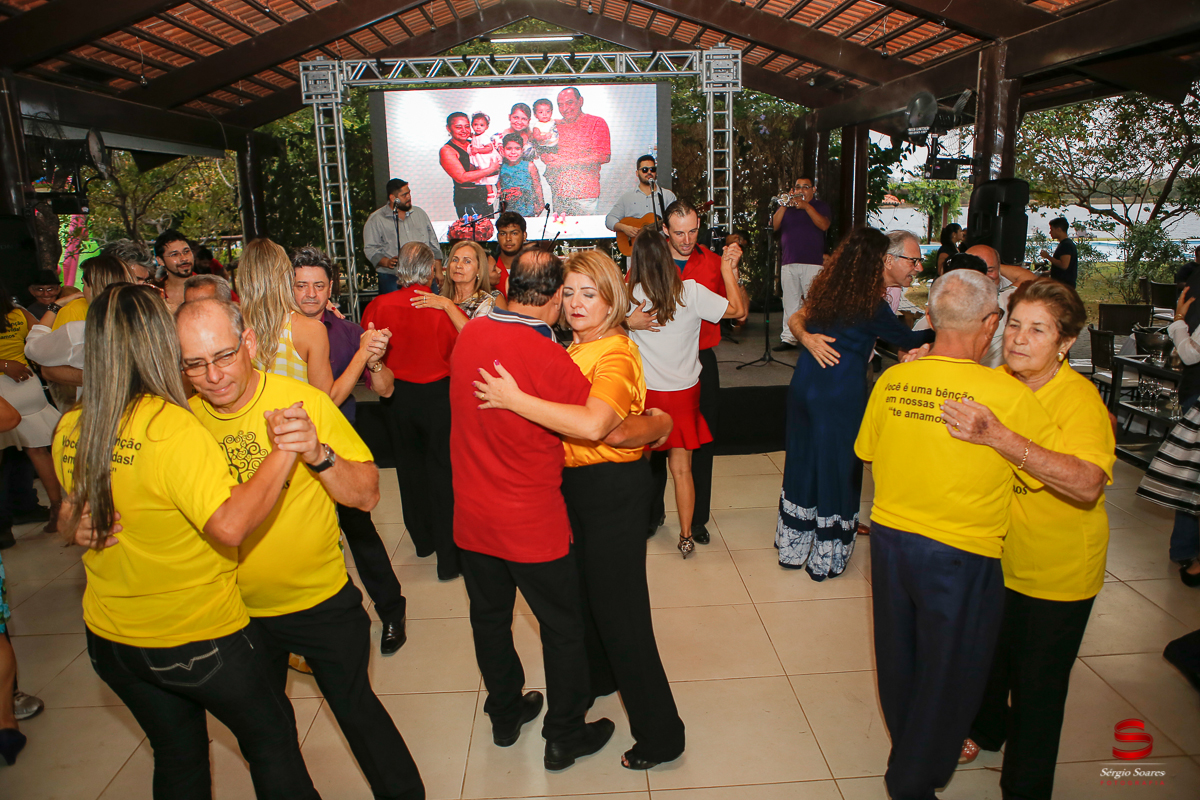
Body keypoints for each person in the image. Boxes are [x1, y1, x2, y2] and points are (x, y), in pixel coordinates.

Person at [55, 284, 320, 798]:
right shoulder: (171, 428)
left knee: (178, 757)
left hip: (112, 641)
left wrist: (73, 521)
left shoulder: (74, 426)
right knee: (272, 743)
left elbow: (73, 508)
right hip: (196, 638)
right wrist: (284, 451)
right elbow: (229, 525)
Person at [176, 297, 425, 800]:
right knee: (268, 743)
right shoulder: (181, 422)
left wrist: (318, 453)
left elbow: (367, 494)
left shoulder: (304, 402)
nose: (214, 375)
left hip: (318, 603)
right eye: (195, 364)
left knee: (359, 716)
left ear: (248, 343)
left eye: (223, 356)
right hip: (231, 617)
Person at [854, 269, 1060, 800]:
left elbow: (867, 453)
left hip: (892, 541)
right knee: (952, 673)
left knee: (899, 659)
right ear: (991, 324)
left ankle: (909, 750)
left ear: (928, 318)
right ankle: (911, 782)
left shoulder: (893, 379)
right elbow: (1041, 471)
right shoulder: (1006, 396)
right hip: (961, 552)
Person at [472, 249, 682, 769]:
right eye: (568, 292)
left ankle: (662, 735)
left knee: (622, 614)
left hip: (610, 490)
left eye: (589, 293)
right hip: (572, 489)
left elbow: (595, 426)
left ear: (612, 299)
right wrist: (655, 425)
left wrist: (513, 399)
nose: (575, 303)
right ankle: (598, 680)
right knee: (586, 600)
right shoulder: (571, 346)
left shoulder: (614, 350)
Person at [942, 278, 1112, 800]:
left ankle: (1026, 787)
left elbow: (1086, 483)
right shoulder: (1000, 383)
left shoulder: (1077, 399)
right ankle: (987, 730)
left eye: (1038, 330)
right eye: (1014, 324)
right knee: (989, 662)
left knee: (1038, 692)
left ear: (1064, 343)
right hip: (998, 557)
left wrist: (999, 436)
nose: (1019, 338)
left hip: (1056, 572)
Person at [448, 247, 615, 771]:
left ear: (508, 284)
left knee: (490, 619)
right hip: (530, 521)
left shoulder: (471, 333)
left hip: (472, 516)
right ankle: (564, 734)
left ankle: (505, 712)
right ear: (553, 298)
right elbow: (596, 420)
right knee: (564, 628)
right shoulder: (547, 355)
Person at [778, 227, 935, 579]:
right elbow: (907, 340)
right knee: (840, 469)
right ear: (884, 261)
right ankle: (827, 556)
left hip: (804, 385)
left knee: (803, 461)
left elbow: (800, 316)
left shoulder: (831, 291)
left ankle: (794, 547)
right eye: (913, 260)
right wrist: (944, 324)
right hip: (838, 393)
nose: (917, 267)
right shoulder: (871, 305)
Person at [291, 245, 408, 655]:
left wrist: (372, 361)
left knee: (361, 535)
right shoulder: (271, 333)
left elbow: (386, 388)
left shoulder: (347, 332)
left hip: (338, 452)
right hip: (287, 457)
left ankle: (392, 611)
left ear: (331, 289)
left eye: (318, 286)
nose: (309, 294)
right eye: (301, 284)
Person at [633, 200, 747, 545]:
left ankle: (696, 523)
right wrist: (627, 321)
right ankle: (652, 517)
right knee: (652, 453)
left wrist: (732, 272)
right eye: (679, 232)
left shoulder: (714, 263)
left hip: (697, 366)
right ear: (666, 230)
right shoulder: (650, 259)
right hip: (654, 368)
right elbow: (625, 308)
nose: (686, 238)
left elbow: (739, 313)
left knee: (700, 447)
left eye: (693, 231)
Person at [361, 242, 460, 580]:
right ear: (430, 270)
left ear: (399, 268)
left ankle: (422, 541)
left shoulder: (378, 305)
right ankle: (448, 558)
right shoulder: (440, 309)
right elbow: (457, 354)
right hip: (438, 398)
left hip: (396, 397)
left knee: (409, 470)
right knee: (443, 475)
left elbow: (369, 352)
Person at [27, 255, 133, 409]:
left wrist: (55, 306)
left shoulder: (79, 331)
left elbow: (32, 349)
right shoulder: (151, 321)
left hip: (100, 411)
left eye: (84, 284)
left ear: (95, 287)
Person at [0, 280, 63, 537]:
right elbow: (40, 340)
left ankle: (4, 529)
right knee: (38, 451)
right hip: (27, 384)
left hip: (3, 391)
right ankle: (59, 509)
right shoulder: (18, 313)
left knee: (3, 461)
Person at [238, 238, 334, 394]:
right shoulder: (311, 330)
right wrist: (362, 355)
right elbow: (325, 400)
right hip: (297, 417)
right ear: (286, 277)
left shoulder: (230, 327)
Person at [772, 176, 832, 351]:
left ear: (813, 190)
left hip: (813, 262)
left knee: (814, 301)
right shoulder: (787, 208)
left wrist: (806, 207)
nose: (801, 190)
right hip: (789, 261)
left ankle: (815, 336)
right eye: (798, 187)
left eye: (805, 187)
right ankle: (789, 338)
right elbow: (773, 226)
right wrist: (783, 204)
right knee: (790, 302)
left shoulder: (820, 206)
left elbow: (824, 225)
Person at [364, 178, 443, 296]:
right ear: (392, 198)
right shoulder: (376, 219)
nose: (409, 197)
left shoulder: (420, 214)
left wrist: (439, 271)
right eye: (404, 195)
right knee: (396, 313)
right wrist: (386, 261)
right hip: (392, 277)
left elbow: (433, 244)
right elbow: (370, 248)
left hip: (424, 277)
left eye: (409, 193)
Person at [541, 87, 611, 216]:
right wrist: (546, 157)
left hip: (584, 196)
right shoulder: (554, 125)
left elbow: (603, 156)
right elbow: (541, 147)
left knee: (585, 234)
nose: (565, 108)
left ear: (581, 101)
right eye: (560, 105)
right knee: (562, 234)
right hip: (560, 195)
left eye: (569, 102)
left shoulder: (596, 122)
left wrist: (564, 163)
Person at [414, 240, 506, 331]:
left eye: (467, 261)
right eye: (455, 260)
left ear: (479, 269)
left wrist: (448, 305)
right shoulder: (441, 297)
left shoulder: (486, 302)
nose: (458, 265)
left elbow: (475, 336)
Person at [440, 112, 499, 219]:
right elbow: (462, 177)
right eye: (458, 127)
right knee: (473, 232)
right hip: (467, 198)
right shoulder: (447, 150)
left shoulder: (474, 142)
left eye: (467, 126)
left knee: (489, 229)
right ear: (449, 128)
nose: (464, 130)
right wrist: (491, 169)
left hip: (484, 194)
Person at [604, 155, 677, 241]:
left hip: (660, 248)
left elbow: (676, 219)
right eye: (645, 170)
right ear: (637, 173)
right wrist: (624, 228)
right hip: (635, 249)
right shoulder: (627, 198)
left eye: (652, 169)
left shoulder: (667, 196)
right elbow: (609, 219)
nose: (649, 173)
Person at [498, 133, 544, 218]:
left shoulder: (530, 165)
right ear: (503, 150)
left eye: (517, 148)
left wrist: (541, 203)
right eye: (509, 148)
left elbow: (537, 186)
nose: (513, 152)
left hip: (526, 209)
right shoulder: (500, 166)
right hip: (507, 210)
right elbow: (498, 187)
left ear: (522, 150)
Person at [153, 229, 194, 310]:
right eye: (174, 254)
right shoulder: (155, 294)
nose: (184, 258)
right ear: (160, 260)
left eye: (186, 252)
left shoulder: (209, 287)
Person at [469, 112, 503, 207]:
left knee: (491, 175)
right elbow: (474, 138)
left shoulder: (484, 137)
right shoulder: (475, 136)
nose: (478, 127)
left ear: (486, 127)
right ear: (472, 125)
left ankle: (496, 190)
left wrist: (478, 150)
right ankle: (492, 192)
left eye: (481, 125)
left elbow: (489, 148)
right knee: (486, 176)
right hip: (481, 158)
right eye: (475, 125)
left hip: (487, 158)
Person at [492, 211, 528, 297]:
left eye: (514, 233)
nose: (508, 239)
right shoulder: (489, 267)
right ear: (497, 237)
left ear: (524, 236)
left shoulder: (535, 267)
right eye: (503, 233)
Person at [1040, 216, 1078, 288]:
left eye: (1052, 229)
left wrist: (1047, 256)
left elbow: (1064, 265)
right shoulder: (1064, 244)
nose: (1050, 232)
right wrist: (1050, 272)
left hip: (1064, 286)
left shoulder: (1066, 245)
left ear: (1059, 230)